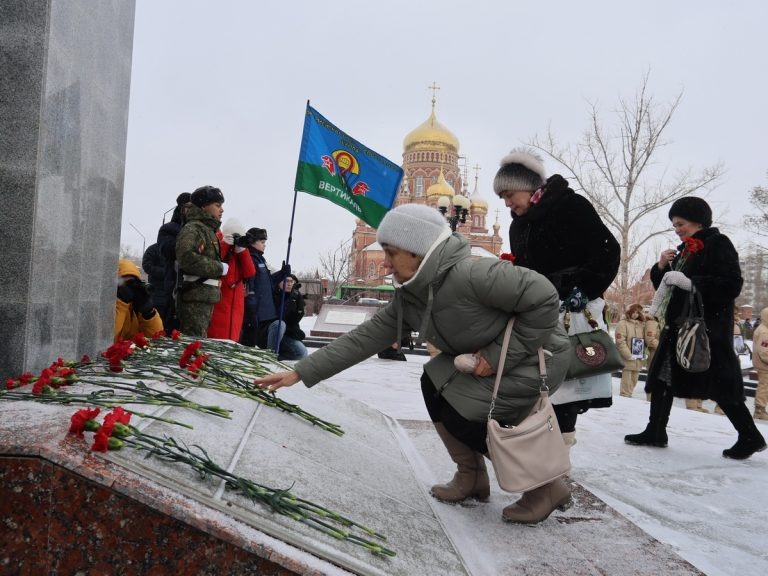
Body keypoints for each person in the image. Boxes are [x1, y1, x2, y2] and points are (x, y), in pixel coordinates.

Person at [254, 204, 573, 525]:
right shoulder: (414, 295)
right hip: (492, 360)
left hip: (534, 357)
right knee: (433, 383)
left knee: (462, 413)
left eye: (392, 254)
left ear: (418, 252)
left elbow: (544, 297)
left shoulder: (473, 274)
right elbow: (365, 337)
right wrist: (299, 371)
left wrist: (493, 356)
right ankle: (472, 476)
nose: (387, 265)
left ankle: (544, 487)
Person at [494, 148, 620, 449]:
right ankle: (540, 446)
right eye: (503, 198)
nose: (508, 202)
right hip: (537, 309)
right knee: (537, 381)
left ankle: (559, 452)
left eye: (510, 194)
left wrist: (584, 288)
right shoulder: (519, 224)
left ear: (529, 187)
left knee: (566, 383)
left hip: (572, 308)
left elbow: (607, 250)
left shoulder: (571, 206)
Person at [624, 197, 766, 459]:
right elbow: (667, 286)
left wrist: (691, 282)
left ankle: (750, 436)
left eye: (681, 223)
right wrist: (661, 267)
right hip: (679, 325)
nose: (677, 229)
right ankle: (655, 430)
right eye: (674, 225)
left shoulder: (718, 244)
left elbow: (731, 284)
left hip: (706, 330)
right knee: (664, 376)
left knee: (720, 383)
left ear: (698, 220)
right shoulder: (685, 250)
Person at [175, 185, 227, 337]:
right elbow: (186, 258)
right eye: (217, 205)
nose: (221, 210)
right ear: (204, 206)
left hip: (203, 297)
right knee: (193, 342)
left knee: (199, 343)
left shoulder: (207, 230)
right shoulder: (193, 229)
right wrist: (219, 267)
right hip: (194, 298)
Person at [239, 228, 290, 348]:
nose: (264, 245)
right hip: (257, 317)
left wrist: (282, 273)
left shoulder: (260, 259)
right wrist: (251, 312)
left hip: (267, 316)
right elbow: (249, 287)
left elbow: (267, 283)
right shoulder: (250, 259)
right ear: (252, 241)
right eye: (262, 242)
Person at [207, 220, 256, 341]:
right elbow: (211, 265)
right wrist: (224, 245)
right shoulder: (216, 243)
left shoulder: (239, 251)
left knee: (232, 339)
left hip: (236, 306)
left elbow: (250, 272)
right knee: (216, 339)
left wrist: (242, 251)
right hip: (220, 301)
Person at [156, 192, 192, 331]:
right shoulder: (169, 229)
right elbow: (166, 250)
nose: (191, 211)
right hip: (174, 287)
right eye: (188, 206)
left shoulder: (201, 230)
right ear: (181, 208)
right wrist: (187, 240)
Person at [115, 259, 163, 342]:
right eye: (127, 283)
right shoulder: (108, 305)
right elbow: (107, 337)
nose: (131, 288)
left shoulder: (135, 305)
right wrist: (121, 302)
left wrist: (149, 313)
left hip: (128, 351)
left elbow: (156, 338)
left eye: (134, 282)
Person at [265, 274, 308, 361]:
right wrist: (290, 300)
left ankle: (276, 358)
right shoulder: (272, 295)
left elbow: (294, 321)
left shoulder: (295, 297)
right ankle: (270, 357)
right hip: (270, 333)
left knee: (302, 353)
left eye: (291, 281)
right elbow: (280, 316)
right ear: (279, 283)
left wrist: (299, 304)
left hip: (286, 335)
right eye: (286, 281)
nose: (289, 284)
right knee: (280, 324)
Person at [615, 304, 646, 398]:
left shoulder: (641, 324)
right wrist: (628, 355)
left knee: (634, 379)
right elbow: (620, 341)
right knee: (626, 381)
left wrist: (643, 354)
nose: (635, 314)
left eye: (637, 313)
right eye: (633, 312)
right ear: (629, 312)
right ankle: (625, 397)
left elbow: (644, 340)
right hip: (627, 358)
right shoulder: (623, 323)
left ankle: (628, 396)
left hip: (638, 359)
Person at [141, 242, 167, 319]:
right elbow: (146, 265)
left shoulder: (176, 249)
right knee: (157, 319)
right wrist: (166, 272)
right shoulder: (153, 249)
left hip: (173, 295)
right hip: (156, 293)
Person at [752, 307, 768, 421]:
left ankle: (761, 409)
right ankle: (759, 410)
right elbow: (764, 352)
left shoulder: (764, 329)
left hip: (763, 364)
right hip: (764, 365)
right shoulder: (764, 332)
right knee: (764, 387)